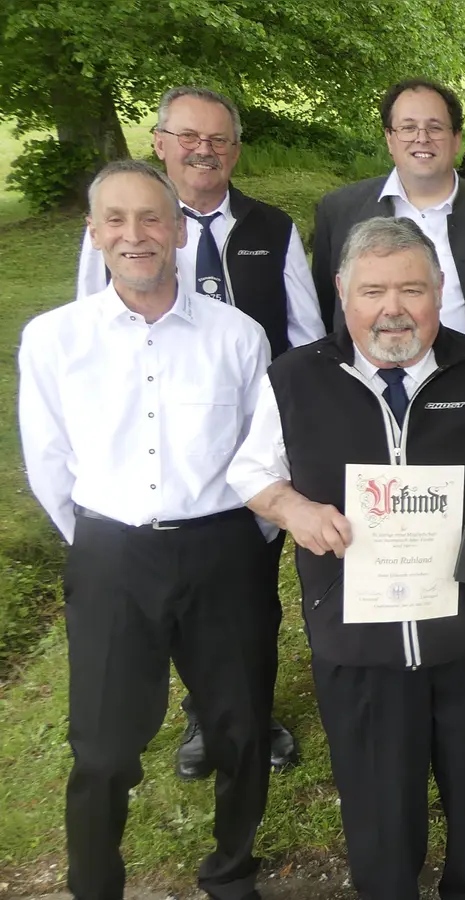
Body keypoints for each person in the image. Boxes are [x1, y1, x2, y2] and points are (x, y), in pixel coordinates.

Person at [227, 216, 465, 900]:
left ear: (440, 292)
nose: (393, 309)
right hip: (361, 641)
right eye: (374, 290)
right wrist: (295, 511)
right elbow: (250, 472)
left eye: (412, 289)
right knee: (380, 822)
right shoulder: (295, 378)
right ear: (343, 292)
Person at [20, 159, 278, 900]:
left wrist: (235, 542)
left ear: (176, 231)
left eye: (152, 218)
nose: (136, 235)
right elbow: (49, 461)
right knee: (103, 749)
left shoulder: (237, 335)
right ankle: (94, 884)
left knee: (241, 731)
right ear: (94, 233)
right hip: (112, 554)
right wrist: (103, 540)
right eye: (117, 220)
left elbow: (261, 453)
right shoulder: (54, 340)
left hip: (223, 550)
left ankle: (232, 872)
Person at [72, 84, 310, 782]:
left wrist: (291, 439)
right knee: (176, 609)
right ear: (160, 143)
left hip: (253, 441)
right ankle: (205, 718)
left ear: (235, 149)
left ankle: (250, 713)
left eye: (218, 140)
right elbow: (93, 333)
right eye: (187, 138)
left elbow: (305, 336)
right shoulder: (125, 229)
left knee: (249, 600)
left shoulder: (274, 229)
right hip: (161, 441)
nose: (203, 151)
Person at [311, 78, 465, 338]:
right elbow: (325, 310)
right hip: (368, 376)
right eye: (408, 127)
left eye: (435, 127)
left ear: (456, 139)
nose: (422, 138)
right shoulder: (339, 210)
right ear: (389, 138)